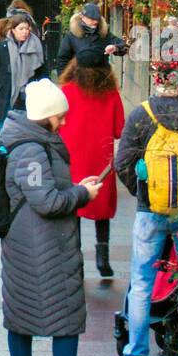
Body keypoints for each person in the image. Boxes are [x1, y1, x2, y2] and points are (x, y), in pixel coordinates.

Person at [0, 79, 106, 356]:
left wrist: (74, 187)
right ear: (45, 116)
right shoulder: (31, 148)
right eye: (59, 116)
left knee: (21, 313)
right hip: (44, 243)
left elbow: (41, 191)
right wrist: (81, 195)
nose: (63, 122)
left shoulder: (29, 141)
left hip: (25, 241)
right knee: (65, 314)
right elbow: (45, 201)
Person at [112, 66, 178, 356]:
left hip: (150, 211)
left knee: (141, 283)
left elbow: (121, 162)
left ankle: (135, 355)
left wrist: (141, 190)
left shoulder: (142, 114)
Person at [59, 48, 126, 280]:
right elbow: (119, 130)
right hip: (101, 160)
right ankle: (103, 257)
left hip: (71, 156)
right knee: (101, 209)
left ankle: (74, 259)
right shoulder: (112, 95)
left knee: (74, 205)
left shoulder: (65, 92)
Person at [0, 12, 48, 136]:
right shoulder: (2, 47)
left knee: (26, 131)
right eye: (21, 29)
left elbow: (43, 73)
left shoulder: (37, 46)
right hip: (6, 95)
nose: (25, 32)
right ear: (13, 30)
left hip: (28, 95)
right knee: (5, 131)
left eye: (27, 28)